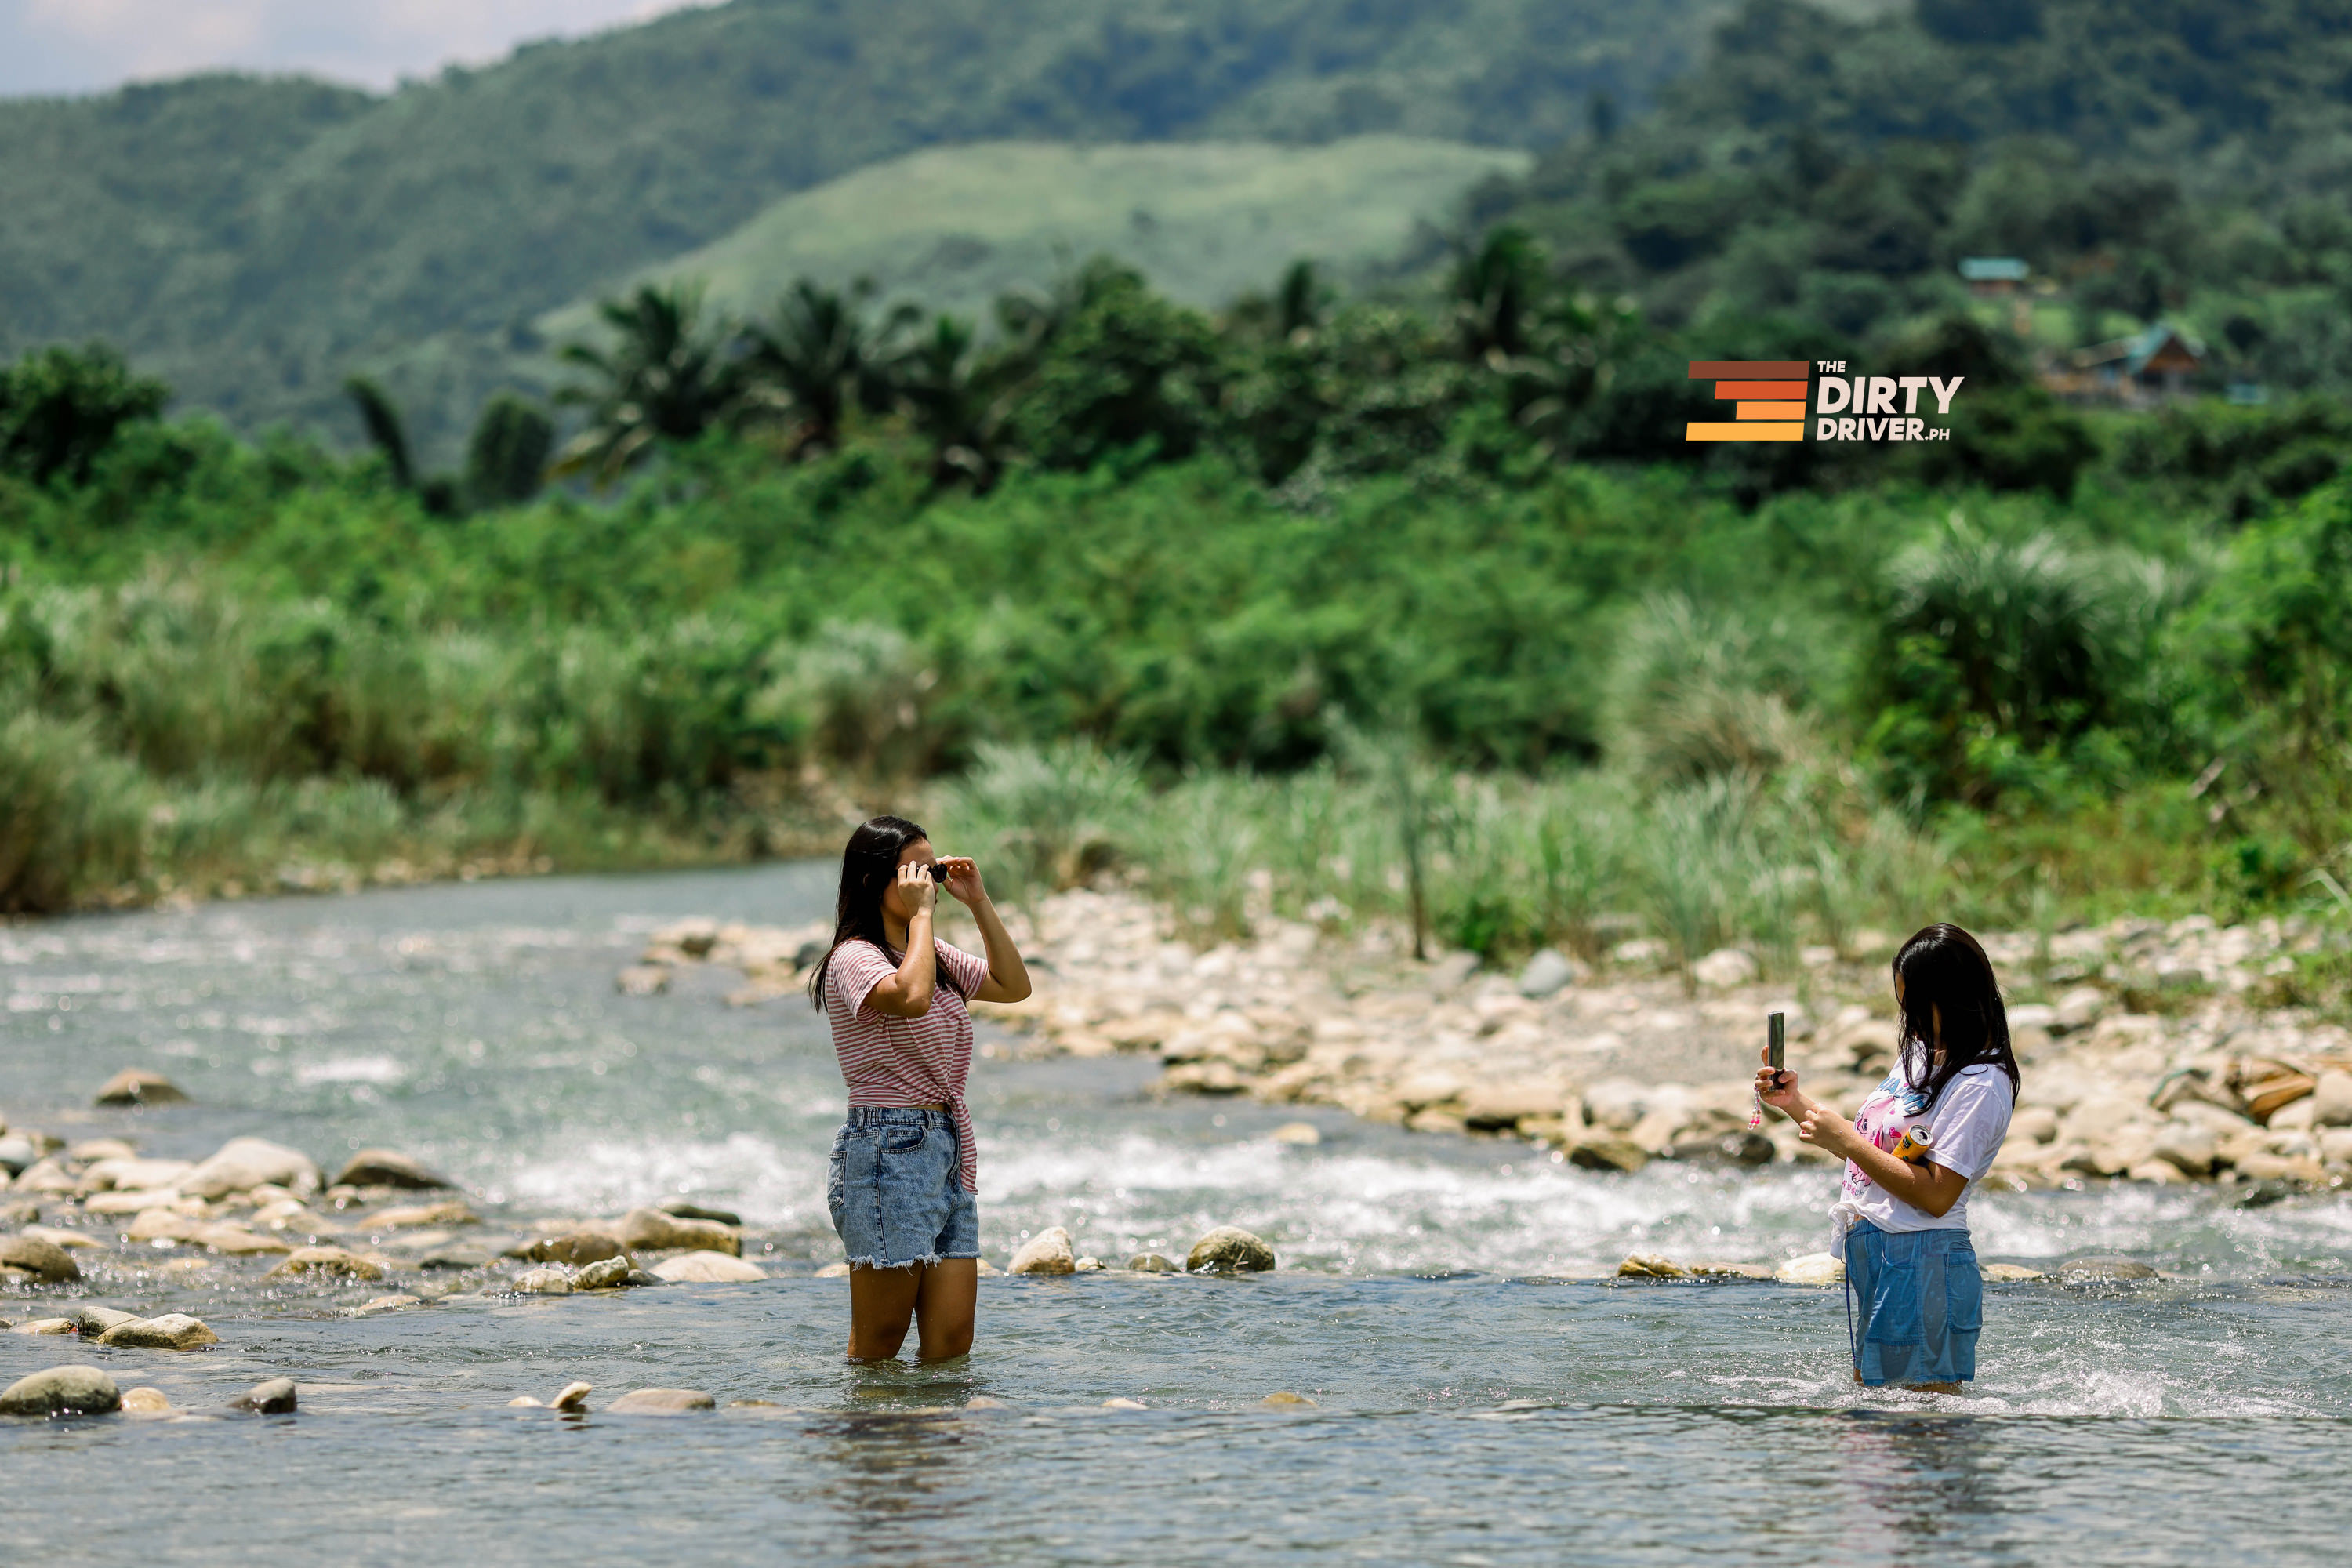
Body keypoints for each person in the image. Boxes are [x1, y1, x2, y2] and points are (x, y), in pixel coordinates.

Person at [1755, 923, 2019, 1392]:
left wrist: (1845, 1142)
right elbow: (1873, 1140)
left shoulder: (1981, 1084)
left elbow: (1938, 1195)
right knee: (1878, 1419)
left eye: (1914, 1004)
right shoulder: (1921, 1056)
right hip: (1880, 1248)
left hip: (1923, 1255)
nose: (1907, 1016)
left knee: (1921, 1424)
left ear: (1952, 998)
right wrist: (1794, 1103)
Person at [808, 815, 1030, 1363]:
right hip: (887, 1148)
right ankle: (869, 1442)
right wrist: (925, 917)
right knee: (879, 1342)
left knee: (952, 1341)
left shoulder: (929, 953)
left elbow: (1013, 986)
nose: (926, 882)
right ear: (871, 881)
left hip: (946, 1146)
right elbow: (909, 997)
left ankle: (932, 1444)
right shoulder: (853, 956)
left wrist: (977, 902)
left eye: (931, 870)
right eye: (915, 871)